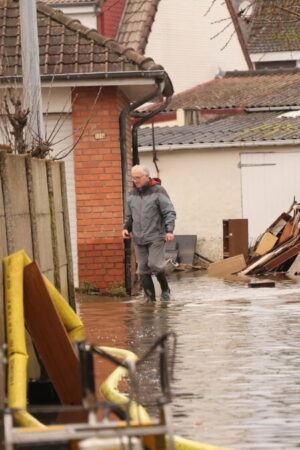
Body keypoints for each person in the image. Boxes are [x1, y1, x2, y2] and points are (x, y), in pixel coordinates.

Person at [122, 165, 176, 302]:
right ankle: (150, 298)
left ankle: (165, 290)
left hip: (156, 235)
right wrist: (126, 228)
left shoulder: (158, 191)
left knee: (155, 265)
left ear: (146, 177)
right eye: (133, 178)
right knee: (142, 269)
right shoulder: (132, 194)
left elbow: (169, 212)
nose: (135, 180)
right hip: (138, 237)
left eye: (138, 178)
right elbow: (129, 215)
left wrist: (169, 230)